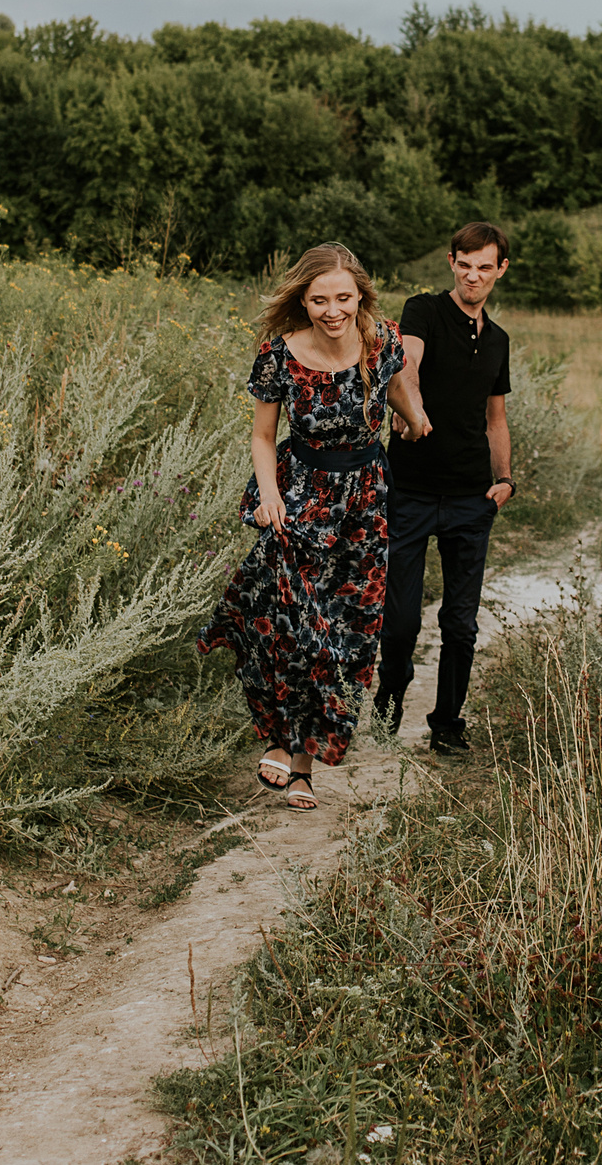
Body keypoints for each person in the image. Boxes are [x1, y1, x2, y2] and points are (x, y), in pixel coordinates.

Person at [196, 243, 431, 810]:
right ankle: (280, 740)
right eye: (320, 299)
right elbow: (261, 435)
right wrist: (269, 495)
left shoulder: (380, 342)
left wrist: (415, 418)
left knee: (343, 630)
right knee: (296, 622)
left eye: (343, 298)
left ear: (360, 297)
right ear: (303, 298)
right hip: (299, 495)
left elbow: (398, 386)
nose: (333, 310)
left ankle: (302, 766)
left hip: (365, 505)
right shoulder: (280, 354)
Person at [375, 221, 514, 756]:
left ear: (500, 269)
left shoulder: (499, 340)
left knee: (460, 622)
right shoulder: (424, 310)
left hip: (469, 498)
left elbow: (495, 419)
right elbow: (406, 364)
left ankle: (447, 724)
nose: (473, 275)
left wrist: (504, 480)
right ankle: (389, 698)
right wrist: (414, 412)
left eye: (485, 266)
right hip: (409, 490)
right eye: (465, 264)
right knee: (402, 617)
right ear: (451, 262)